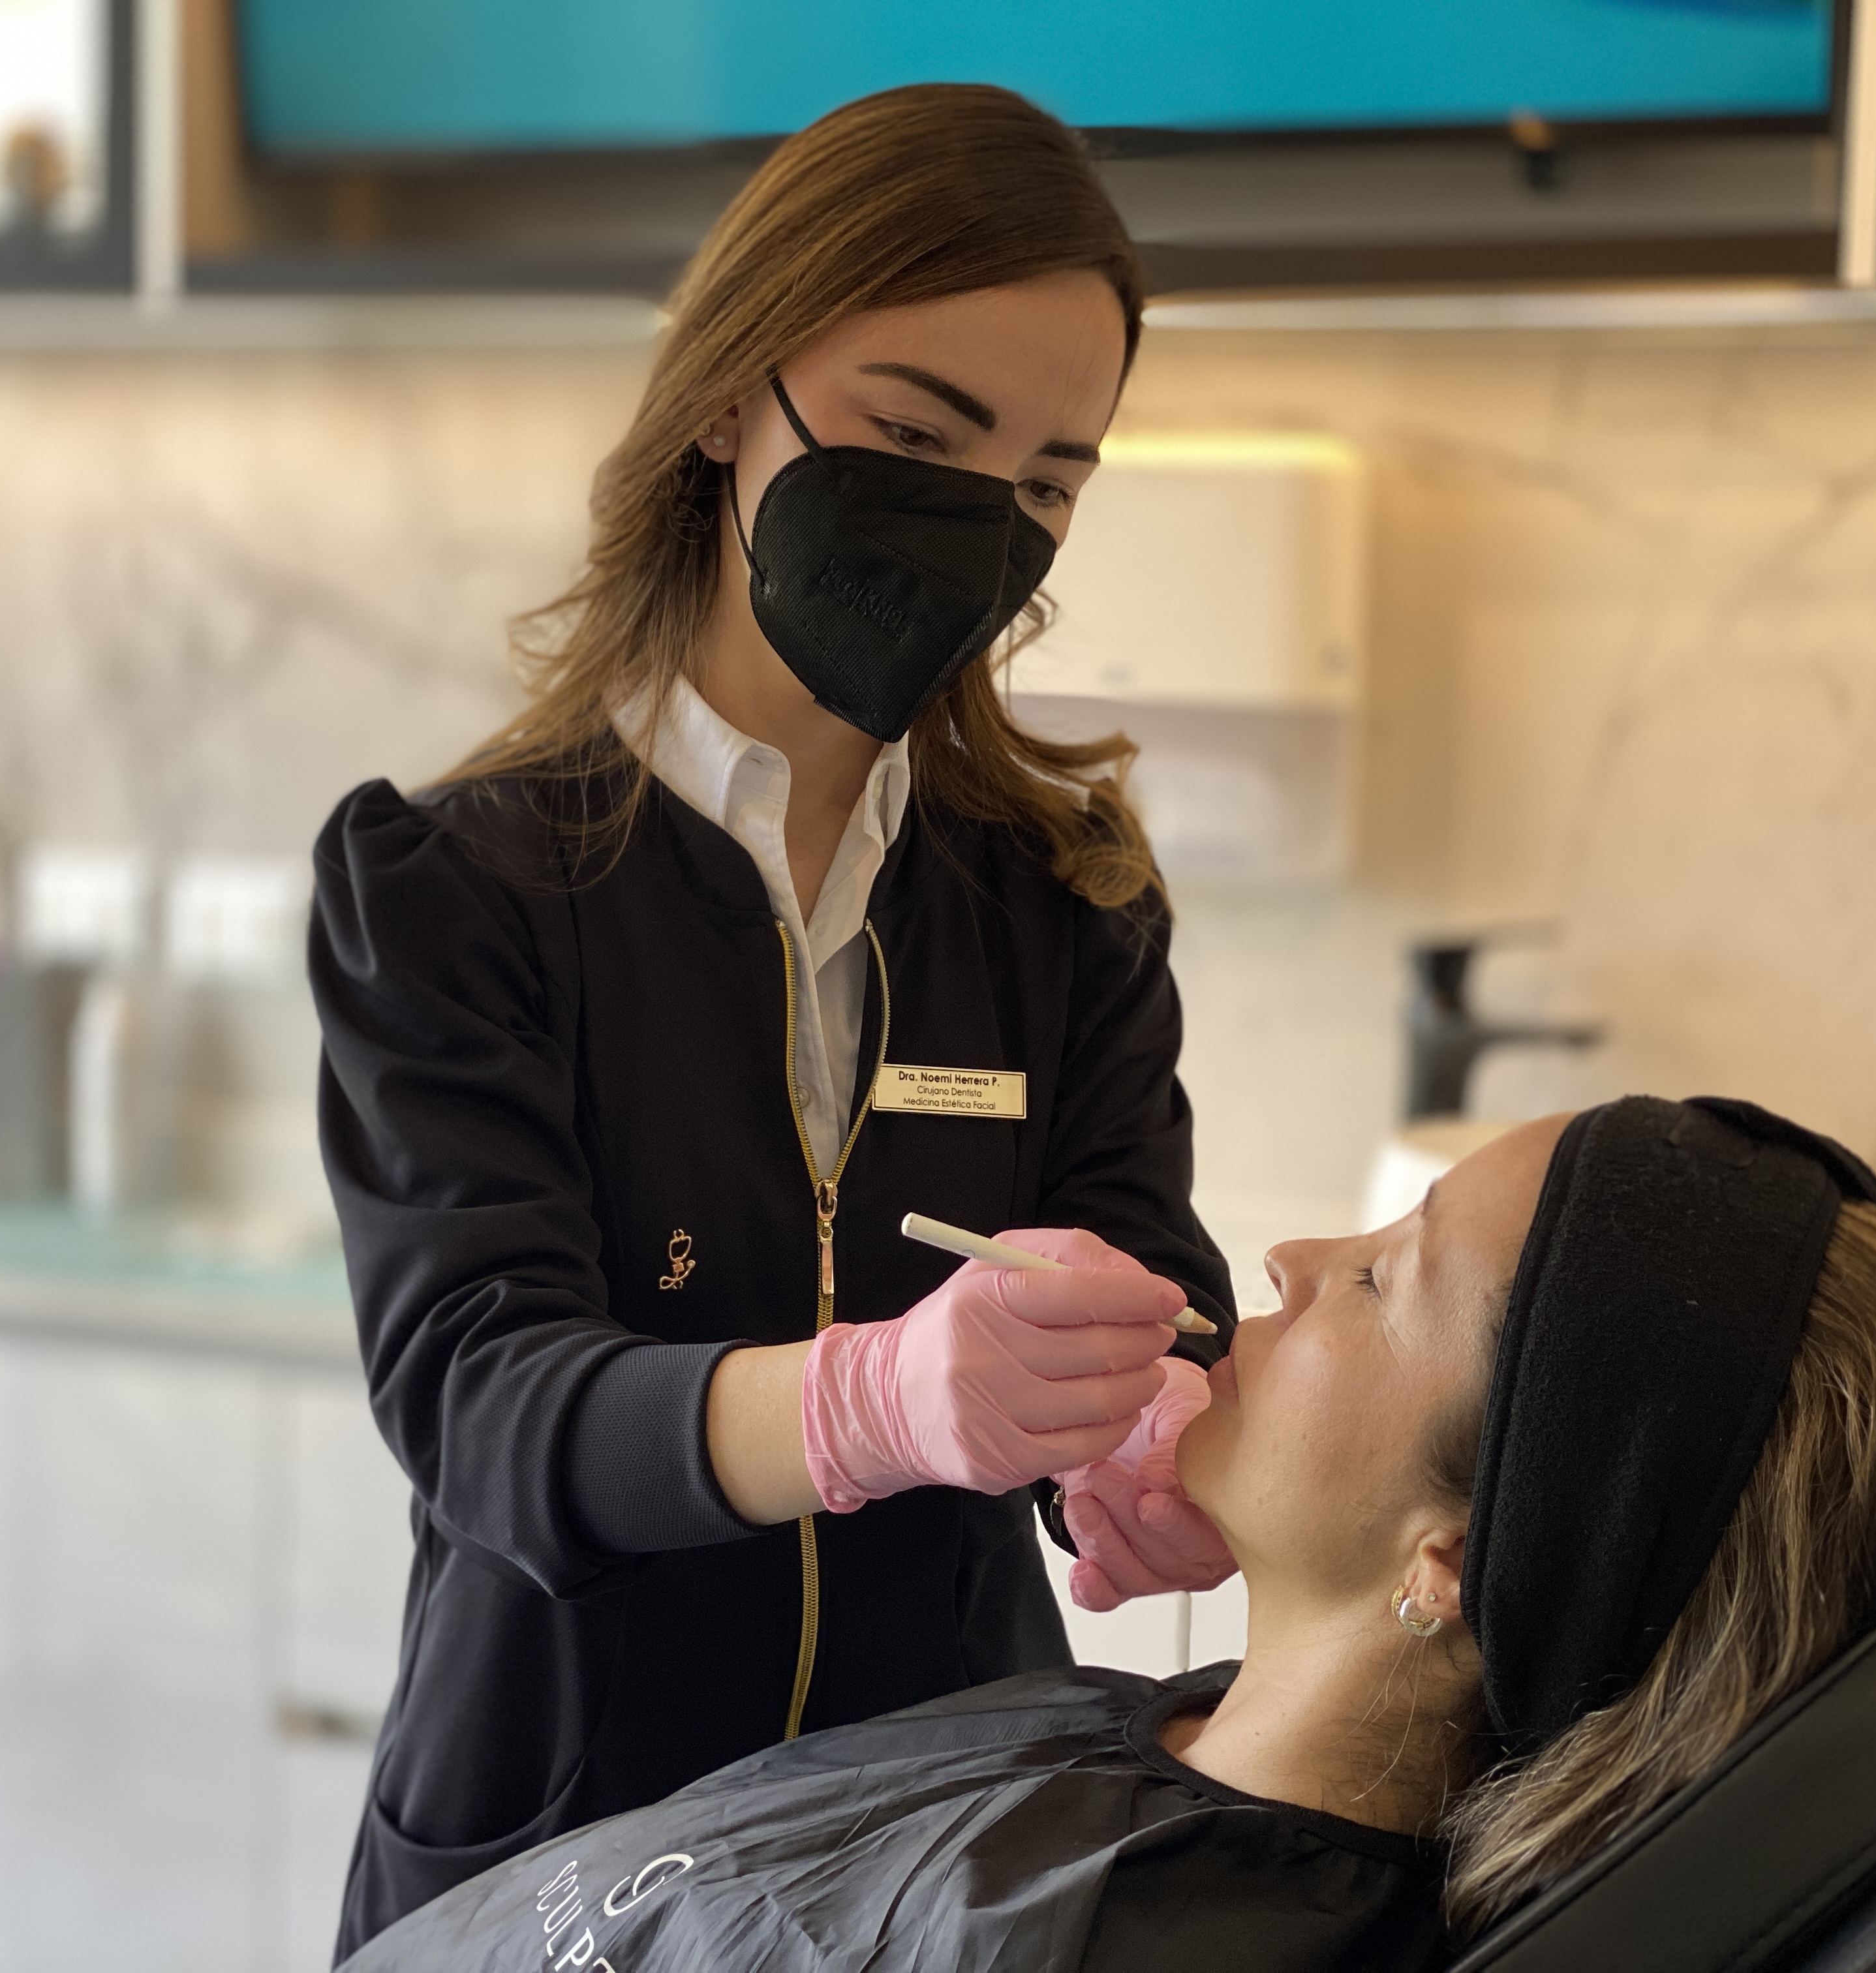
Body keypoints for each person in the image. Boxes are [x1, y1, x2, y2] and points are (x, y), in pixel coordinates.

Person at [308, 85, 1244, 1952]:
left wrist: (1164, 1439)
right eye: (917, 432)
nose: (980, 524)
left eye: (1050, 480)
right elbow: (484, 1408)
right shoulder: (456, 891)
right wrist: (871, 1401)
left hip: (933, 1865)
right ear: (731, 396)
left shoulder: (1066, 902)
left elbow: (1149, 1268)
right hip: (556, 1860)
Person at [337, 1096, 1876, 1972]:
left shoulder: (1152, 1939)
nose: (1297, 1259)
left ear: (1447, 1561)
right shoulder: (1183, 1761)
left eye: (1386, 1281)